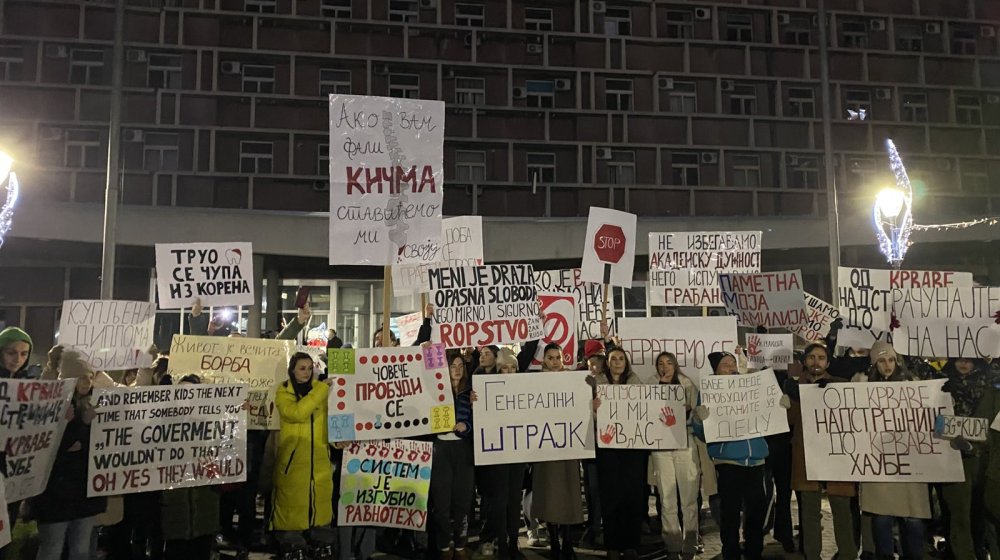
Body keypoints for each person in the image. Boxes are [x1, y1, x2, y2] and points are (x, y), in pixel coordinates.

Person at [695, 351, 784, 560]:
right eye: (725, 364)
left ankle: (754, 551)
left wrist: (780, 407)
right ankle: (731, 553)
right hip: (728, 462)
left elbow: (770, 417)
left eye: (732, 363)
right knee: (730, 513)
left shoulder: (751, 388)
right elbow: (702, 433)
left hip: (756, 461)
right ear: (716, 370)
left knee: (756, 512)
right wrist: (700, 421)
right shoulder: (708, 392)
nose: (731, 367)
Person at [784, 343, 858, 560]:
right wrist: (788, 403)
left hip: (837, 456)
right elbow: (789, 423)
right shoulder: (795, 387)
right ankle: (812, 555)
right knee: (809, 512)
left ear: (828, 362)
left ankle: (847, 554)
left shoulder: (841, 385)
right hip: (807, 456)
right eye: (812, 357)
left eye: (821, 357)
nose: (816, 361)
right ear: (805, 361)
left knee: (841, 508)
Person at [32, 349, 108, 560]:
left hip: (84, 492)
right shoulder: (50, 404)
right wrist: (78, 425)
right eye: (82, 377)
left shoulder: (93, 404)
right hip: (55, 494)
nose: (88, 382)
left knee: (81, 550)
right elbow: (55, 446)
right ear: (68, 377)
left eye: (91, 376)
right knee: (52, 549)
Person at [857, 342, 929, 560]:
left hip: (909, 461)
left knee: (913, 518)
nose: (887, 365)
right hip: (881, 462)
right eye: (881, 360)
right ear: (874, 364)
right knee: (882, 517)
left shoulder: (913, 384)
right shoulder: (863, 386)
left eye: (891, 360)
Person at [271, 351, 335, 559]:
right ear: (292, 370)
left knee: (320, 505)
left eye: (309, 368)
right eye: (302, 368)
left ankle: (321, 541)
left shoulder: (320, 389)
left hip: (319, 462)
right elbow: (297, 413)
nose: (307, 373)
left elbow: (328, 420)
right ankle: (291, 543)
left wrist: (336, 440)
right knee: (291, 507)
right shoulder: (283, 392)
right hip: (294, 463)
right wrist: (321, 391)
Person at [592, 348, 648, 560]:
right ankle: (613, 544)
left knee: (632, 494)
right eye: (613, 359)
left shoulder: (636, 381)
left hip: (632, 447)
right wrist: (593, 409)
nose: (617, 362)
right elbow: (585, 412)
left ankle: (631, 543)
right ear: (607, 362)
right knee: (610, 495)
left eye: (621, 359)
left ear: (626, 362)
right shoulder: (594, 382)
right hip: (607, 446)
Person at [471, 350, 527, 560]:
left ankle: (513, 544)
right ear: (498, 369)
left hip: (518, 454)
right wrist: (474, 401)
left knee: (514, 502)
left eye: (513, 368)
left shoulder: (524, 391)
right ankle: (502, 545)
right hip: (497, 456)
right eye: (505, 367)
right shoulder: (485, 388)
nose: (509, 371)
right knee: (500, 501)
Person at [530, 343, 584, 560]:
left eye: (558, 358)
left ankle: (568, 542)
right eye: (550, 357)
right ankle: (553, 541)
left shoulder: (574, 380)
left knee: (570, 494)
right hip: (545, 446)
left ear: (563, 359)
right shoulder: (534, 382)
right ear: (544, 360)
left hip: (569, 445)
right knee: (548, 495)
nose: (554, 361)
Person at [939, 357, 996, 559]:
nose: (963, 364)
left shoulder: (990, 382)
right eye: (959, 359)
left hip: (980, 457)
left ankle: (978, 549)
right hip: (951, 454)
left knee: (979, 511)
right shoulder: (942, 382)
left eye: (969, 360)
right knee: (957, 512)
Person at [160, 374, 221, 560]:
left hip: (204, 506)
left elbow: (227, 455)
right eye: (181, 393)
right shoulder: (162, 424)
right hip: (175, 507)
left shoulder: (212, 424)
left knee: (200, 551)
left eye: (191, 393)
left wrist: (237, 415)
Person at [648, 352, 699, 560]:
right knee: (667, 498)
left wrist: (688, 410)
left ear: (675, 365)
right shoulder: (650, 384)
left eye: (669, 363)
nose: (665, 367)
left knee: (689, 498)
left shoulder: (687, 384)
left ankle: (690, 544)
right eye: (660, 363)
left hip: (684, 442)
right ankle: (672, 545)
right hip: (661, 446)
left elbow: (698, 412)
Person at [430, 353, 475, 560]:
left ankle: (460, 545)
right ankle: (443, 545)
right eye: (452, 366)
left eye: (460, 366)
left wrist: (467, 426)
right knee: (441, 503)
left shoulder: (470, 393)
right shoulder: (436, 391)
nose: (457, 369)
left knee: (462, 501)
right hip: (440, 449)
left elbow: (482, 420)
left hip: (463, 449)